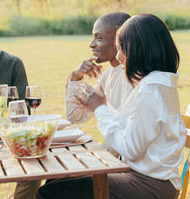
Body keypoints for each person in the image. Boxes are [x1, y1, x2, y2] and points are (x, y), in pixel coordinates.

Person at [37, 14, 186, 199]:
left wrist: (100, 108)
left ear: (134, 46)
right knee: (55, 182)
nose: (118, 51)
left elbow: (130, 149)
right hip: (138, 174)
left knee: (50, 192)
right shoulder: (155, 82)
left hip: (150, 183)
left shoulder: (151, 90)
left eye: (120, 42)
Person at [65, 12, 133, 124]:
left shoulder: (135, 76)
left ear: (119, 37)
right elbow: (75, 116)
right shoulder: (108, 74)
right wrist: (75, 76)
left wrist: (99, 107)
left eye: (98, 38)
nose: (91, 44)